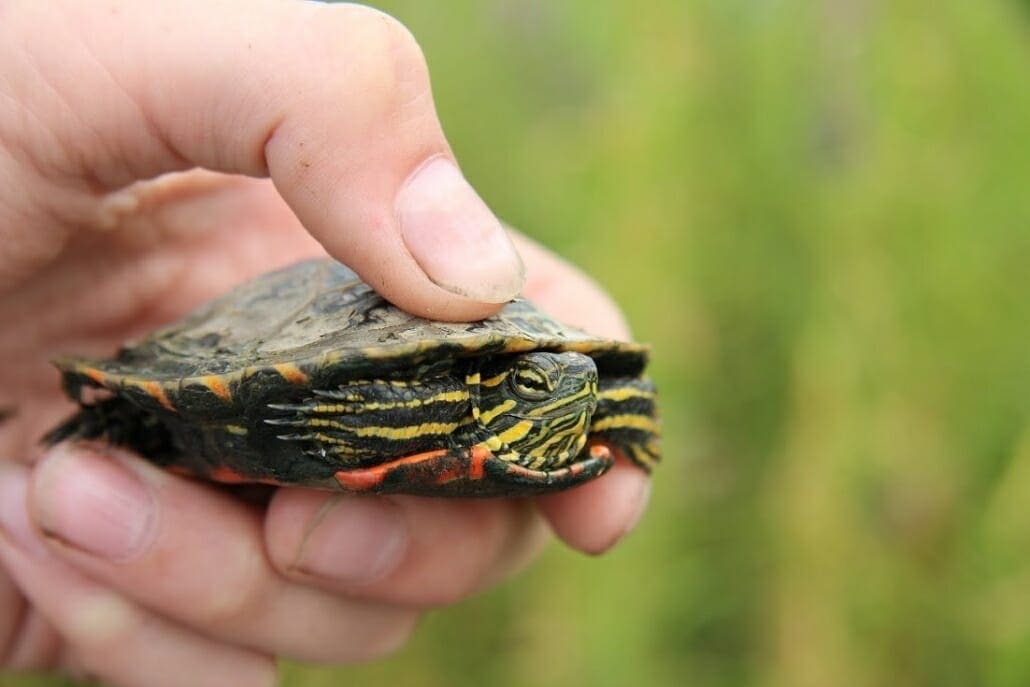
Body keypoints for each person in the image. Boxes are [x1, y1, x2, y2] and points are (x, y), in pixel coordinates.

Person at [0, 3, 651, 685]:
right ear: (495, 388)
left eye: (563, 385)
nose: (578, 388)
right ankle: (115, 415)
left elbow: (609, 387)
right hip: (274, 363)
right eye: (538, 385)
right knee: (144, 425)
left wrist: (620, 412)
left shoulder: (557, 398)